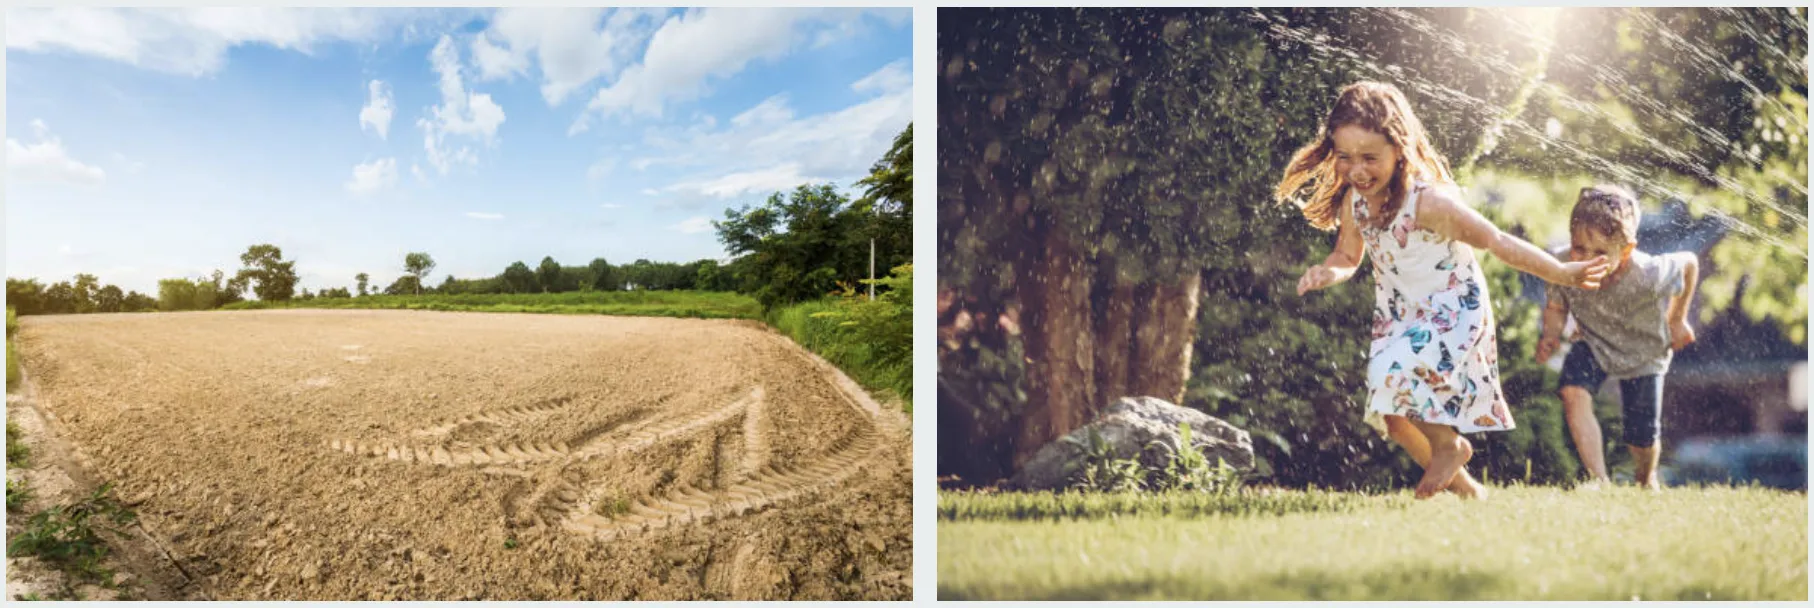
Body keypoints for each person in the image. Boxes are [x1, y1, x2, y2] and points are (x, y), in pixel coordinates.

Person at [1277, 81, 1610, 499]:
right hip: (1400, 315)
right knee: (1393, 417)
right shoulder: (1355, 202)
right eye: (1344, 158)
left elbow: (1496, 241)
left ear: (1399, 149)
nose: (1357, 170)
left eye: (1369, 158)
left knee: (1390, 377)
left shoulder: (1428, 203)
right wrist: (1329, 272)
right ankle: (1469, 491)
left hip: (1452, 309)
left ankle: (1450, 446)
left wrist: (1561, 271)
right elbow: (1347, 255)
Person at [1536, 185, 1699, 490]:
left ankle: (1645, 479)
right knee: (1572, 392)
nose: (1586, 259)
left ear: (1625, 251)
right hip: (1593, 342)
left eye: (1600, 253)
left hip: (1643, 352)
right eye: (1579, 248)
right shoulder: (1562, 266)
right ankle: (1599, 481)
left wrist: (1677, 319)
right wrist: (1551, 334)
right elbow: (1556, 305)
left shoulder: (1649, 273)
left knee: (1641, 435)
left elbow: (1690, 261)